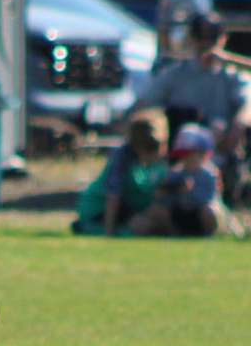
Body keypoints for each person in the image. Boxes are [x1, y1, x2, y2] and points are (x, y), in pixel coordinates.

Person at [134, 15, 251, 164]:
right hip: (177, 150)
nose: (206, 43)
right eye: (200, 36)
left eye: (212, 37)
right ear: (191, 39)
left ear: (223, 39)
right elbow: (145, 102)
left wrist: (239, 124)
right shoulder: (175, 73)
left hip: (217, 149)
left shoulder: (233, 75)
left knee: (217, 126)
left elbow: (248, 103)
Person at [71, 111, 168, 236]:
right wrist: (109, 232)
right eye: (152, 146)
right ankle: (87, 227)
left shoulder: (161, 161)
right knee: (143, 228)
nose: (157, 152)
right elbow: (113, 196)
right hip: (102, 211)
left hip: (131, 209)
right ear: (137, 145)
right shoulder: (122, 157)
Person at [129, 124, 224, 238]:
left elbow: (209, 200)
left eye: (191, 154)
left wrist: (189, 193)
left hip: (198, 214)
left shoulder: (210, 174)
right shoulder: (175, 173)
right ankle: (174, 234)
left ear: (203, 154)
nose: (186, 159)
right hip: (179, 213)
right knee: (157, 210)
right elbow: (165, 200)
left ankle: (207, 235)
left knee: (209, 211)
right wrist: (167, 193)